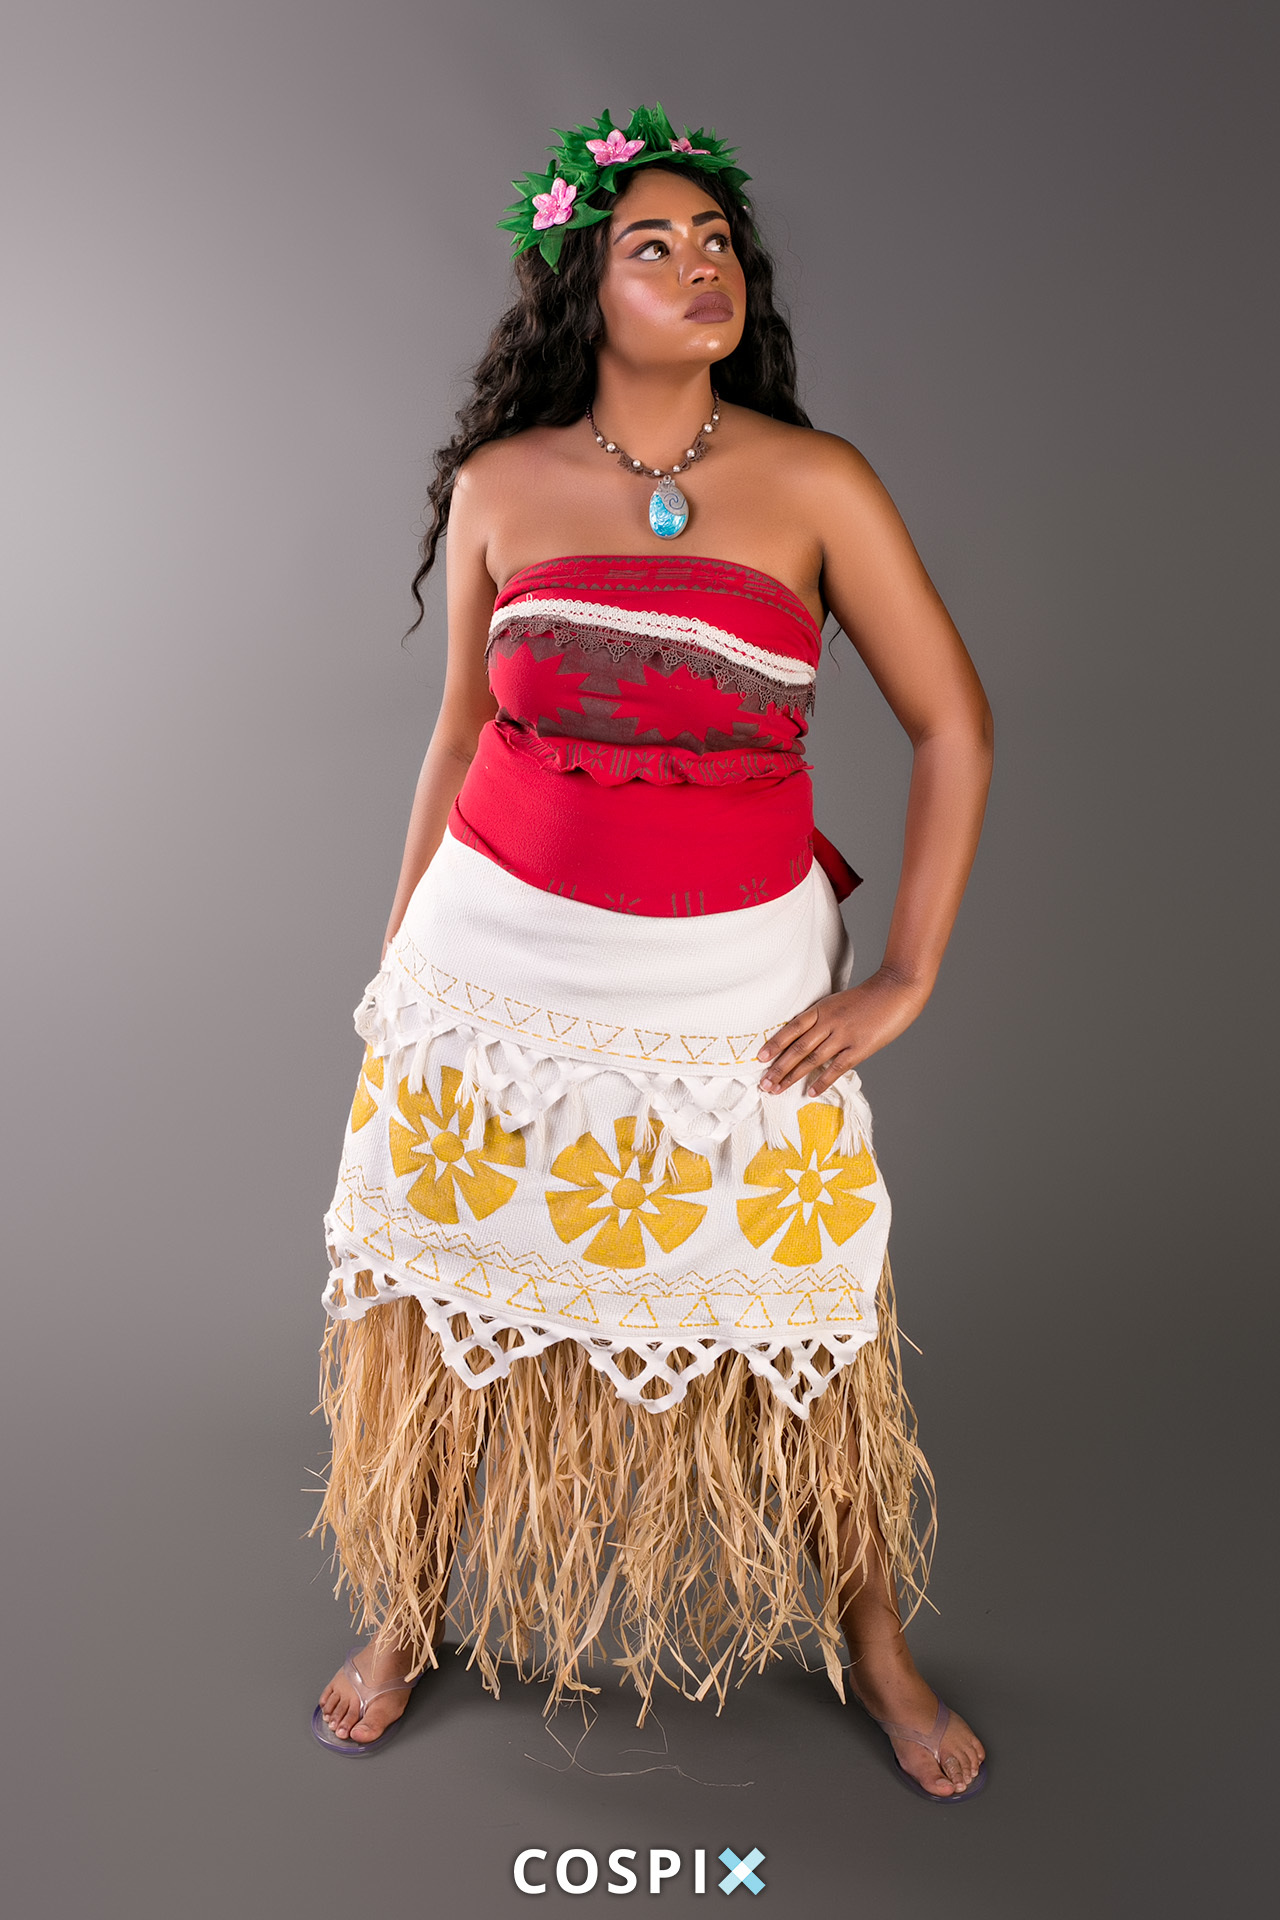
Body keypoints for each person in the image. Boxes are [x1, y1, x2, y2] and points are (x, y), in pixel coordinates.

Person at [310, 106, 993, 1801]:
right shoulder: (504, 485)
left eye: (720, 244)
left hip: (736, 988)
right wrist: (397, 960)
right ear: (581, 288)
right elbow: (458, 735)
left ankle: (876, 1645)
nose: (704, 269)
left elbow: (955, 726)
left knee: (808, 1324)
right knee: (445, 1302)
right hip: (491, 969)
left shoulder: (818, 483)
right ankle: (405, 1615)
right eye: (654, 246)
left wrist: (906, 975)